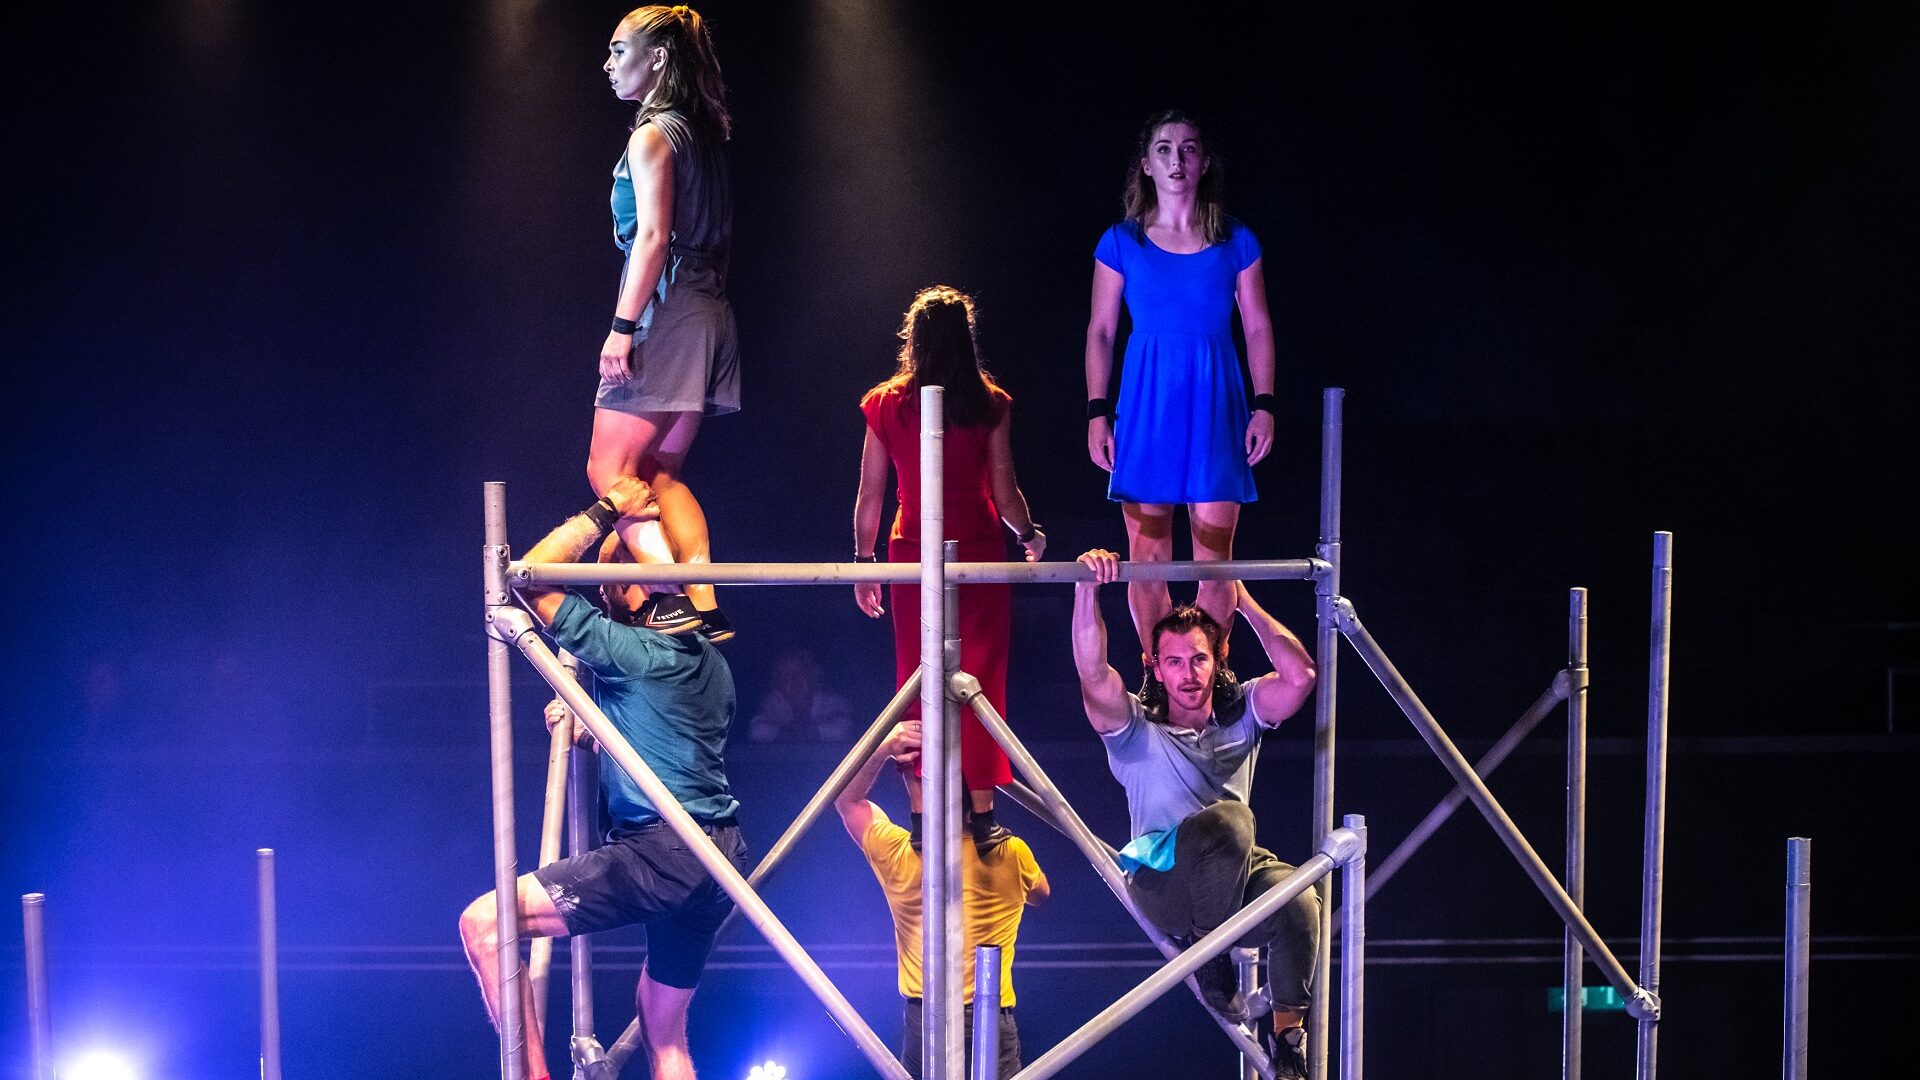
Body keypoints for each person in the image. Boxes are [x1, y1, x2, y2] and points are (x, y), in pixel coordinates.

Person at [458, 477, 746, 1080]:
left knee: (484, 925)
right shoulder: (708, 660)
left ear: (629, 587)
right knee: (660, 1027)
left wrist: (607, 509)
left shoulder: (631, 653)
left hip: (662, 851)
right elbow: (669, 738)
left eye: (608, 572)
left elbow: (529, 574)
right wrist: (594, 723)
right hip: (716, 853)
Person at [1071, 548, 1318, 1078]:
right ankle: (1210, 955)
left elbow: (1300, 677)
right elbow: (1092, 675)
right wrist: (1086, 589)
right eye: (1175, 662)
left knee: (1301, 896)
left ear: (1218, 662)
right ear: (1154, 667)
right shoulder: (1135, 730)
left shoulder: (1243, 714)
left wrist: (1244, 600)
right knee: (1232, 820)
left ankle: (1288, 1041)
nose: (1188, 673)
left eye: (1199, 659)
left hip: (1235, 882)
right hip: (1166, 886)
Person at [853, 285, 1046, 851]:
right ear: (967, 340)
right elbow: (1006, 494)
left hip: (912, 550)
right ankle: (982, 815)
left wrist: (865, 564)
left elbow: (870, 495)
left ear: (913, 340)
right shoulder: (990, 403)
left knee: (915, 680)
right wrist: (1031, 536)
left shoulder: (886, 403)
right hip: (979, 551)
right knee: (980, 680)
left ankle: (920, 816)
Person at [1083, 109, 1278, 659]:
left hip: (1217, 400)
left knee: (1216, 557)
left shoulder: (1236, 240)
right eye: (1164, 149)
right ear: (1146, 164)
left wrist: (1264, 404)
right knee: (1148, 554)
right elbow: (1101, 330)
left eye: (1189, 148)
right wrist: (1098, 411)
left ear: (1204, 161)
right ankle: (1157, 676)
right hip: (1147, 402)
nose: (1176, 159)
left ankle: (1207, 679)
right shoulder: (1120, 242)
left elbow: (1258, 325)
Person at [588, 5, 740, 641]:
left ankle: (667, 595)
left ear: (656, 59)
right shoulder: (701, 134)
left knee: (608, 474)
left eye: (619, 50)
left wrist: (623, 326)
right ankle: (702, 600)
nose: (608, 63)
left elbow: (651, 238)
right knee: (661, 474)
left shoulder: (653, 135)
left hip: (670, 309)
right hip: (708, 308)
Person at [835, 719, 1048, 1079]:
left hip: (926, 1017)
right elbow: (1042, 895)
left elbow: (847, 800)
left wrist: (886, 747)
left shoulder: (899, 854)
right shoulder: (1011, 853)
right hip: (989, 1016)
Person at [746, 646, 853, 742]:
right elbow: (755, 731)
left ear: (813, 676)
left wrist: (808, 733)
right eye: (785, 676)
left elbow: (843, 730)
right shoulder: (773, 704)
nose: (794, 680)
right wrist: (786, 734)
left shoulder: (833, 702)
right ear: (778, 683)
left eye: (800, 673)